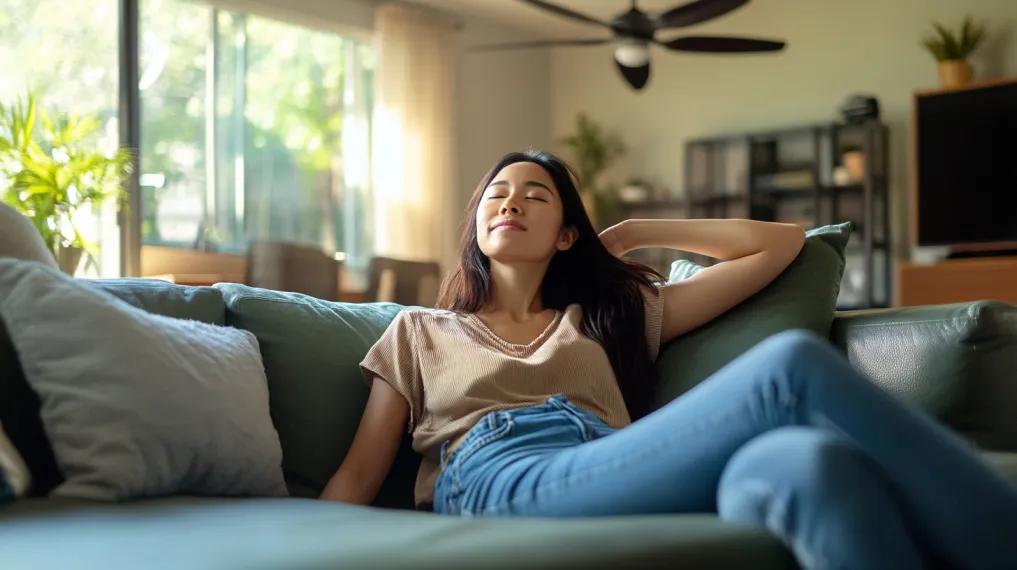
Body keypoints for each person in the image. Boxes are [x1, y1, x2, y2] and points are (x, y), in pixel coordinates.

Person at [320, 149, 1017, 569]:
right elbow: (355, 476)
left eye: (536, 194)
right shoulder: (419, 328)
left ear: (566, 235)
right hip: (494, 473)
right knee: (789, 368)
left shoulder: (609, 315)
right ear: (476, 226)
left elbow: (780, 244)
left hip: (612, 458)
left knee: (809, 464)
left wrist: (634, 232)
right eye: (497, 194)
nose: (511, 202)